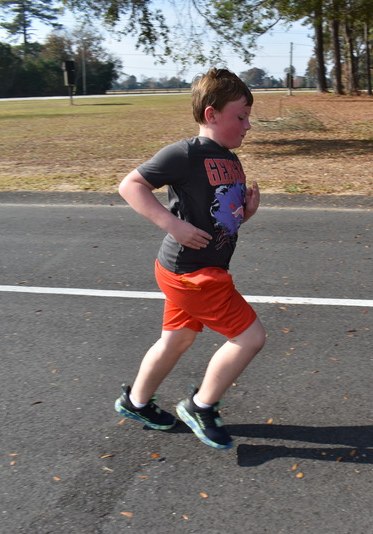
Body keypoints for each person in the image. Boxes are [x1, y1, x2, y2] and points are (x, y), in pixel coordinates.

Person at [113, 68, 265, 450]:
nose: (248, 125)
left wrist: (244, 213)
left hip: (195, 268)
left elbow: (215, 212)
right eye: (240, 116)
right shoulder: (185, 153)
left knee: (176, 340)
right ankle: (201, 406)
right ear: (212, 115)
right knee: (249, 338)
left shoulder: (228, 157)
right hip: (193, 272)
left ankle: (136, 403)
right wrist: (171, 225)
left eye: (248, 117)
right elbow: (130, 185)